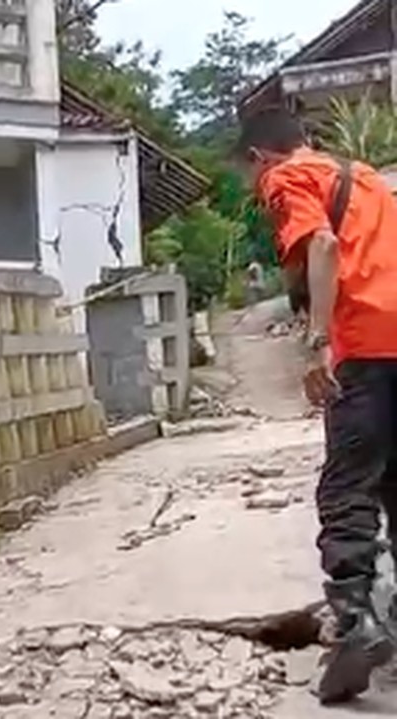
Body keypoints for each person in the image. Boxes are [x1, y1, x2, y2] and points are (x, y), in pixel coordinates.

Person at [235, 106, 397, 705]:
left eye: (245, 177)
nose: (252, 190)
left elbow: (323, 245)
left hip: (365, 345)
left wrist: (317, 341)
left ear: (260, 157)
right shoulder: (368, 179)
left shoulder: (287, 179)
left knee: (346, 488)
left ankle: (357, 622)